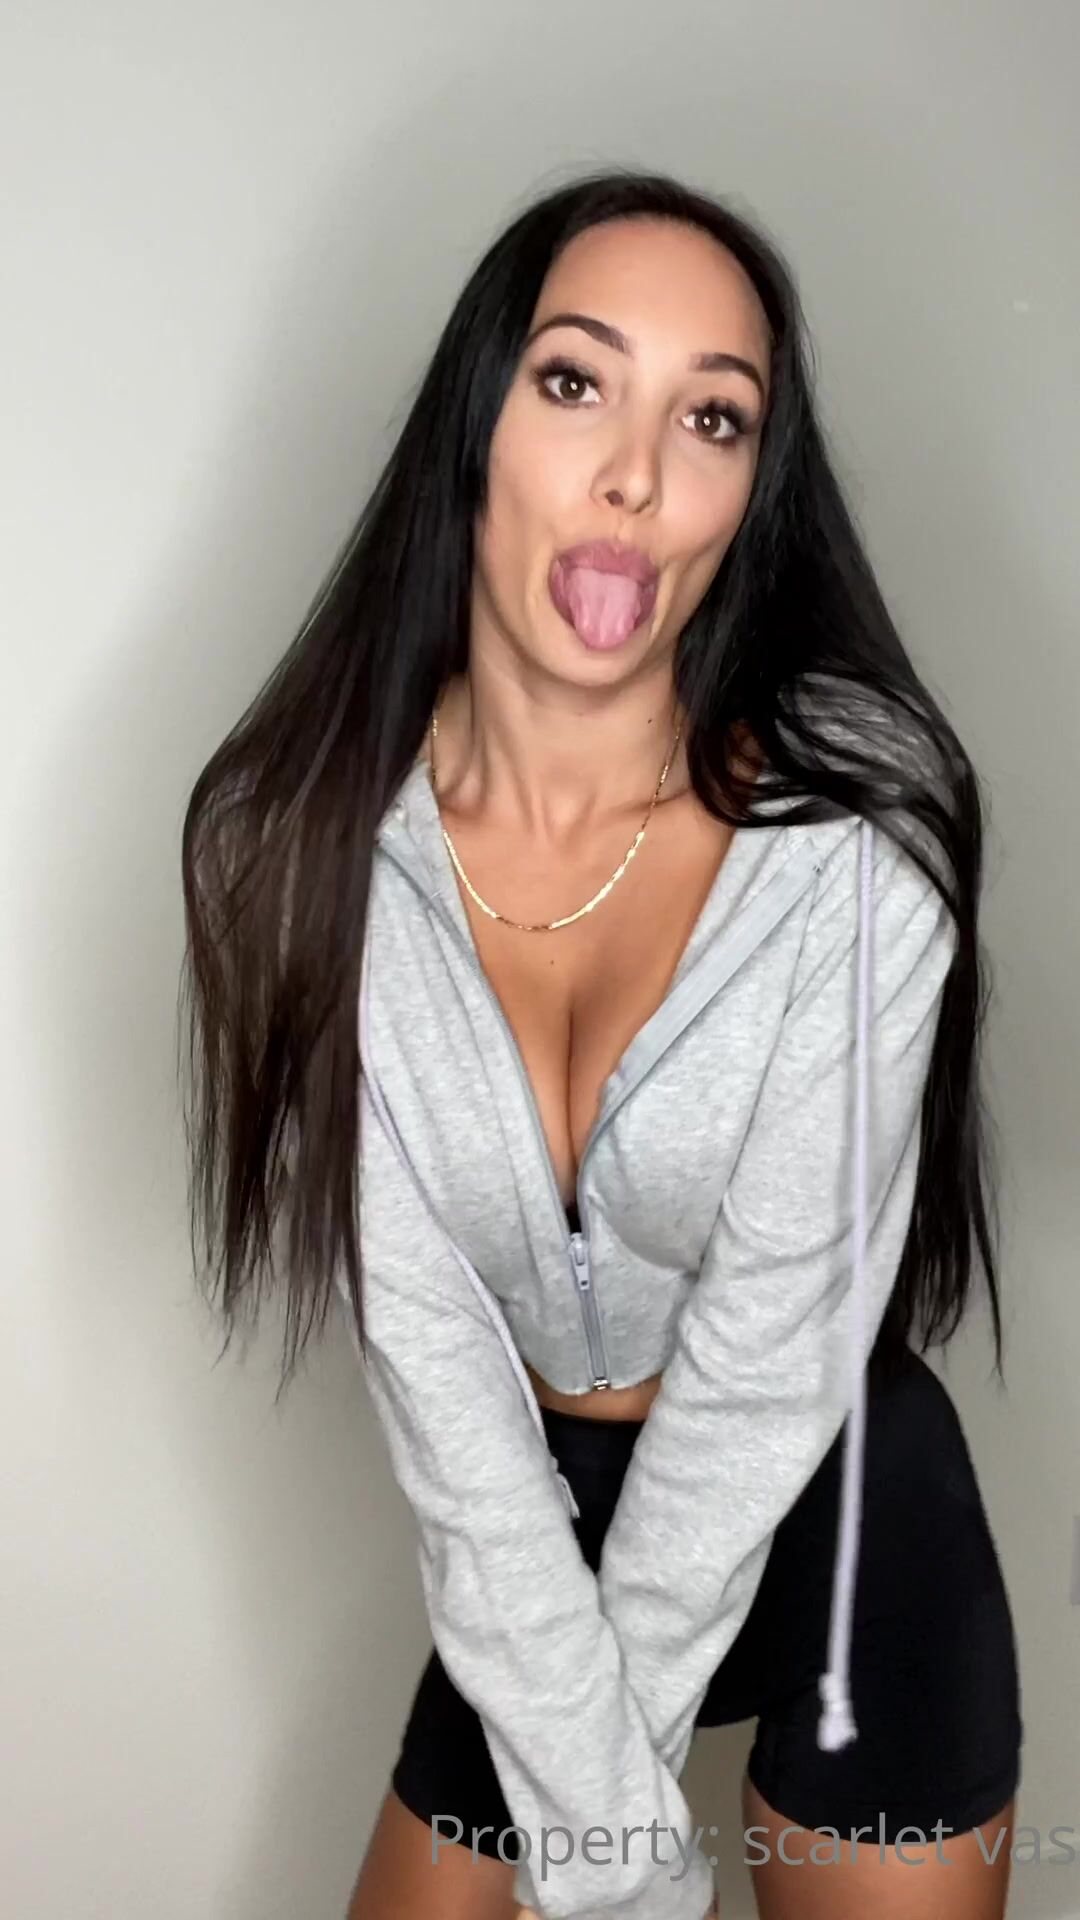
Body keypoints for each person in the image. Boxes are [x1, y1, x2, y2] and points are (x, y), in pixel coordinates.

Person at [179, 168, 1023, 1920]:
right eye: (576, 382)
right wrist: (617, 1849)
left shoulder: (855, 846)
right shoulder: (305, 853)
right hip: (533, 1555)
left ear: (748, 494)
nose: (637, 473)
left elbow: (769, 1377)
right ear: (476, 426)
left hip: (841, 1510)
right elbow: (443, 1397)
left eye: (713, 419)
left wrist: (604, 1858)